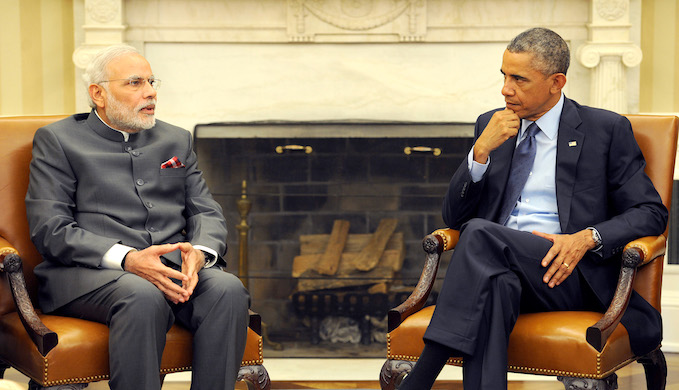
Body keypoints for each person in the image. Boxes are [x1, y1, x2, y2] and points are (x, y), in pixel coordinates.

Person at [398, 27, 667, 389]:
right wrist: (480, 153)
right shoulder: (491, 126)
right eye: (504, 76)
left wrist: (587, 238)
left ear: (556, 82)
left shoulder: (605, 130)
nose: (506, 89)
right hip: (499, 268)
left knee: (479, 233)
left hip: (568, 274)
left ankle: (422, 375)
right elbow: (454, 218)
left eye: (519, 79)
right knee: (494, 283)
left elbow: (651, 212)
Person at [25, 45, 250, 390]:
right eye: (134, 83)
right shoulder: (58, 140)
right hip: (91, 275)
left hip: (174, 269)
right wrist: (129, 259)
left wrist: (200, 254)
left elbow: (205, 207)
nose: (150, 92)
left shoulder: (176, 138)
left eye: (151, 81)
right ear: (98, 93)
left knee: (227, 289)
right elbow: (50, 229)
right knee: (142, 294)